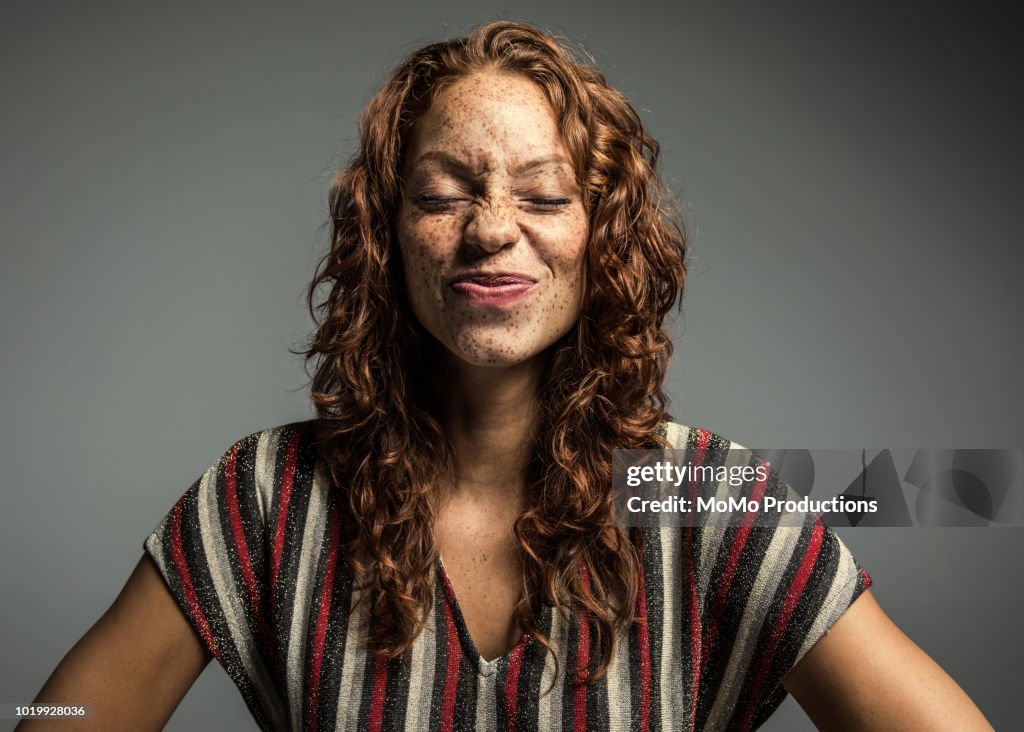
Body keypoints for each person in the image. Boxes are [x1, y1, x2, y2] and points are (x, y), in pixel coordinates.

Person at [19, 20, 992, 732]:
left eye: (542, 194)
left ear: (601, 237)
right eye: (443, 195)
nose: (490, 229)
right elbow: (56, 714)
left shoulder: (706, 497)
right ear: (386, 237)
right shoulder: (265, 497)